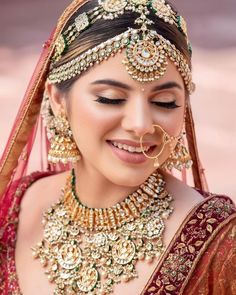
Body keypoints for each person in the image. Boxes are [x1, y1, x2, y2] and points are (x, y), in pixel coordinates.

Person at [0, 0, 235, 294]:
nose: (140, 124)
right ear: (59, 100)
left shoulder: (220, 242)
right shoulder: (14, 209)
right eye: (111, 98)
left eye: (165, 103)